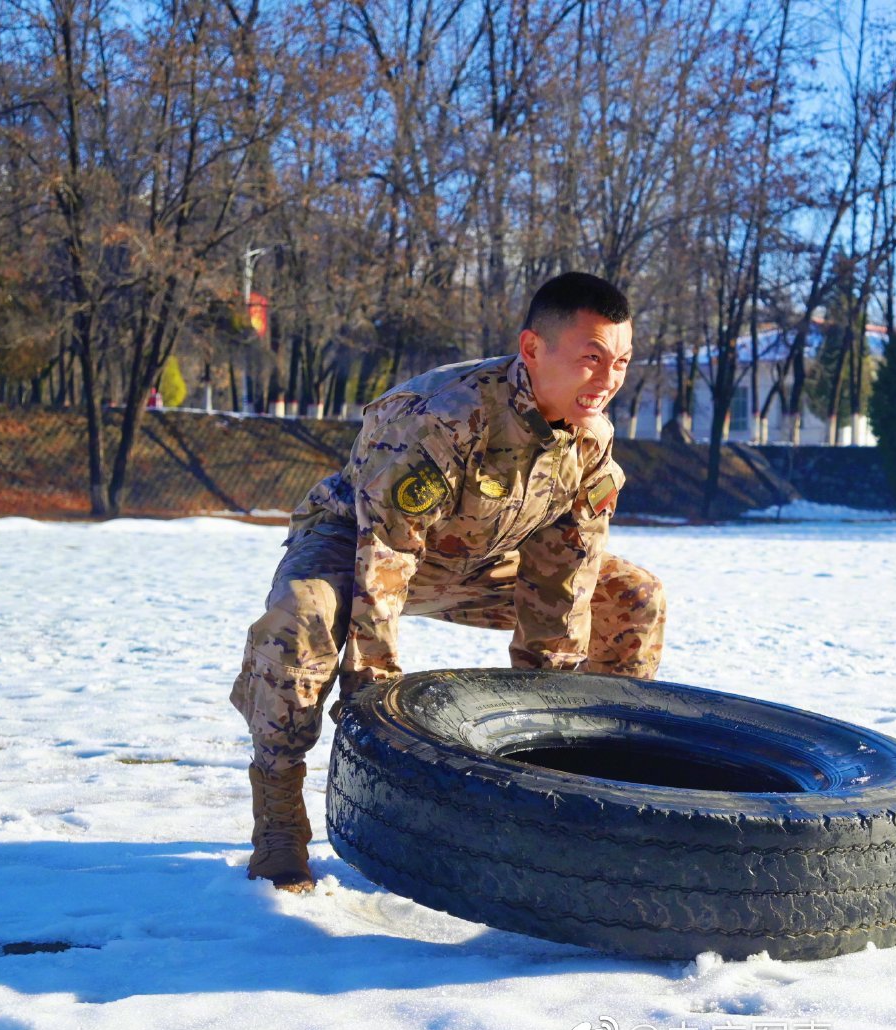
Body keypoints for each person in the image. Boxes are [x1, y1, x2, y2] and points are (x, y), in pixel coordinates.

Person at [230, 272, 665, 892]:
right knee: (301, 620)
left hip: (481, 561)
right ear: (533, 348)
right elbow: (385, 559)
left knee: (631, 594)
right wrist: (373, 709)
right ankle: (278, 818)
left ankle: (593, 787)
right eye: (591, 359)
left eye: (620, 362)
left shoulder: (589, 438)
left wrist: (548, 733)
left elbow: (564, 582)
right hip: (357, 543)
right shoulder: (445, 416)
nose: (607, 381)